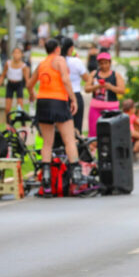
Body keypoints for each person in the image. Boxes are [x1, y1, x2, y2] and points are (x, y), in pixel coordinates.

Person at [25, 38, 88, 194]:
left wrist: (32, 95)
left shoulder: (42, 64)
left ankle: (46, 178)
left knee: (47, 142)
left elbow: (29, 84)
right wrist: (73, 99)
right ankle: (76, 175)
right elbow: (66, 80)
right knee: (69, 140)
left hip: (43, 102)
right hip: (58, 101)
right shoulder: (59, 60)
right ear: (58, 49)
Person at [85, 52, 125, 139]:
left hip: (111, 107)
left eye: (106, 63)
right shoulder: (94, 74)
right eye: (101, 63)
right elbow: (87, 89)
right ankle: (93, 148)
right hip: (95, 107)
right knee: (93, 132)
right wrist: (97, 86)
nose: (104, 66)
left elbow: (122, 90)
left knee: (112, 131)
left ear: (110, 63)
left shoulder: (115, 75)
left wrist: (110, 87)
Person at [62, 38, 90, 134]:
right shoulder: (76, 62)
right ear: (71, 48)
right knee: (76, 129)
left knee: (62, 129)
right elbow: (87, 78)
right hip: (76, 94)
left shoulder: (57, 61)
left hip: (61, 96)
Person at [0, 47, 33, 117]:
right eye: (15, 53)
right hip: (10, 85)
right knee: (7, 108)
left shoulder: (23, 66)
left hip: (19, 85)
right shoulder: (8, 64)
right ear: (12, 54)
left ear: (22, 55)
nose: (16, 55)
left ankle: (22, 123)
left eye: (18, 53)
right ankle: (9, 124)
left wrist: (31, 92)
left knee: (20, 107)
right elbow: (2, 76)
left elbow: (27, 80)